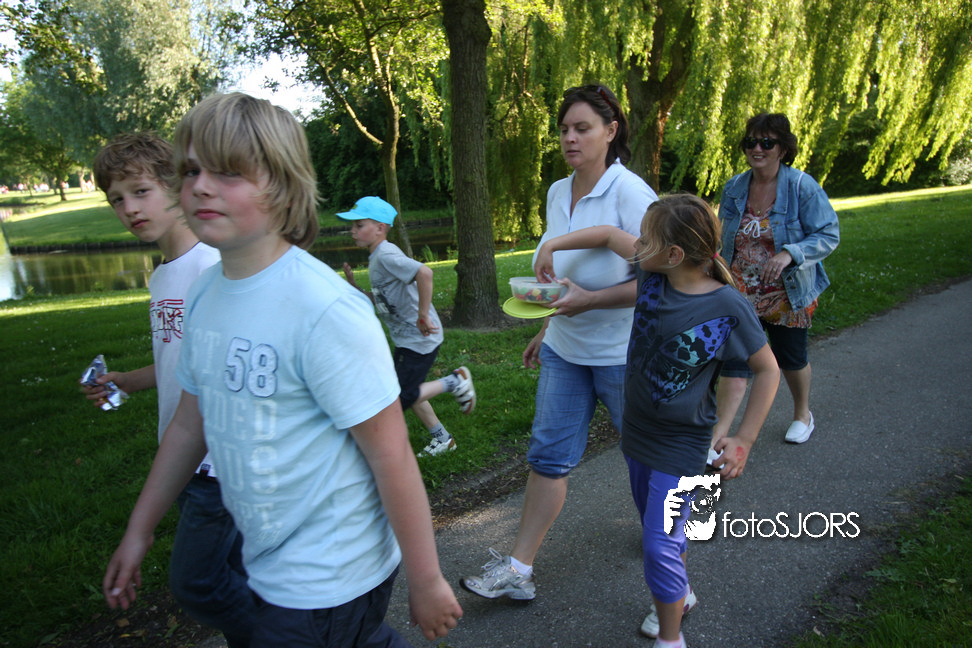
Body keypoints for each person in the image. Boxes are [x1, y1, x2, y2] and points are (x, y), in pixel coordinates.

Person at [102, 93, 463, 647]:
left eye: (227, 172)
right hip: (267, 561)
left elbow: (390, 454)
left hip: (332, 574)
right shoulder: (202, 294)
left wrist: (427, 579)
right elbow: (188, 425)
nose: (201, 186)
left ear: (281, 186)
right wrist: (139, 529)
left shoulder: (323, 308)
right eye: (192, 170)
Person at [532, 193, 780, 648]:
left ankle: (670, 639)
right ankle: (680, 595)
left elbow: (767, 370)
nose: (637, 245)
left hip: (682, 446)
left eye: (646, 240)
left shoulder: (727, 306)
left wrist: (744, 437)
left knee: (658, 544)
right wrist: (552, 244)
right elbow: (608, 235)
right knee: (663, 530)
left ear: (674, 254)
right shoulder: (653, 272)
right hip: (638, 437)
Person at [461, 84, 657, 601]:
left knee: (647, 463)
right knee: (547, 457)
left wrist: (592, 301)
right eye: (565, 129)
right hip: (566, 351)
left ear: (610, 131)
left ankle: (672, 577)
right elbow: (563, 278)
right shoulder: (556, 191)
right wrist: (547, 325)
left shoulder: (630, 193)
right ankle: (518, 570)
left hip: (623, 356)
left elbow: (661, 281)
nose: (570, 138)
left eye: (582, 128)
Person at [84, 132, 254, 647]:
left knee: (197, 583)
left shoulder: (212, 266)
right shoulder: (163, 278)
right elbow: (182, 363)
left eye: (141, 192)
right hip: (180, 458)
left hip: (217, 462)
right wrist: (129, 381)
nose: (130, 209)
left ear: (176, 187)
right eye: (117, 199)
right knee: (238, 574)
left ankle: (290, 632)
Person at [711, 113, 839, 455]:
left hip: (787, 292)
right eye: (751, 142)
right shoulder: (734, 187)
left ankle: (802, 414)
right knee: (735, 359)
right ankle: (718, 436)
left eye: (767, 143)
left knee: (790, 357)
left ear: (783, 149)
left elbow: (828, 234)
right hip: (741, 291)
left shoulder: (801, 187)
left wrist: (789, 254)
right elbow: (722, 236)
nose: (757, 149)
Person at [338, 196, 476, 457]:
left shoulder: (386, 254)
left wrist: (423, 314)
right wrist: (356, 288)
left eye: (359, 225)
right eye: (353, 226)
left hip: (420, 338)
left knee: (400, 396)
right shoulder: (377, 257)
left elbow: (425, 273)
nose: (352, 230)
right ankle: (443, 439)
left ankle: (455, 381)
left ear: (380, 228)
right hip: (406, 338)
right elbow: (384, 299)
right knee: (403, 390)